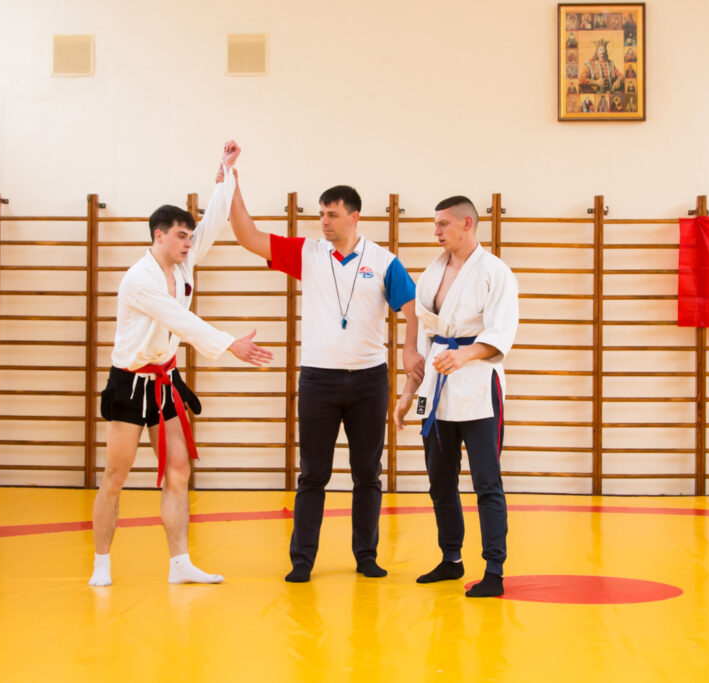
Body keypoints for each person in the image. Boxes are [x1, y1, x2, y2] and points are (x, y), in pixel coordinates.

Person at [88, 141, 274, 587]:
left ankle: (180, 564)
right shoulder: (139, 280)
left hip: (165, 380)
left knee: (179, 472)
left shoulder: (184, 263)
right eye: (181, 236)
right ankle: (101, 564)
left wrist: (226, 171)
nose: (190, 243)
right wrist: (229, 344)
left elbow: (214, 220)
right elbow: (180, 320)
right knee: (115, 476)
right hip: (130, 383)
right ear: (159, 236)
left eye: (190, 237)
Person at [228, 173, 424, 583]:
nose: (324, 222)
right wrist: (231, 183)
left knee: (367, 473)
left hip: (369, 380)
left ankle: (366, 555)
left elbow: (412, 310)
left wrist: (409, 350)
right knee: (313, 474)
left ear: (354, 217)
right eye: (321, 214)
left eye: (332, 215)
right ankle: (302, 559)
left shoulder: (383, 261)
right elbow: (248, 236)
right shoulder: (308, 253)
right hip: (319, 380)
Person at [394, 196, 519, 599]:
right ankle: (451, 559)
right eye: (435, 224)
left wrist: (465, 355)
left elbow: (502, 332)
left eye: (443, 224)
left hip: (479, 385)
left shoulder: (495, 272)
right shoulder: (431, 274)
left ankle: (494, 569)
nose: (436, 231)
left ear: (467, 223)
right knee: (440, 481)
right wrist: (407, 393)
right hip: (437, 383)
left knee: (487, 482)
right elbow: (423, 339)